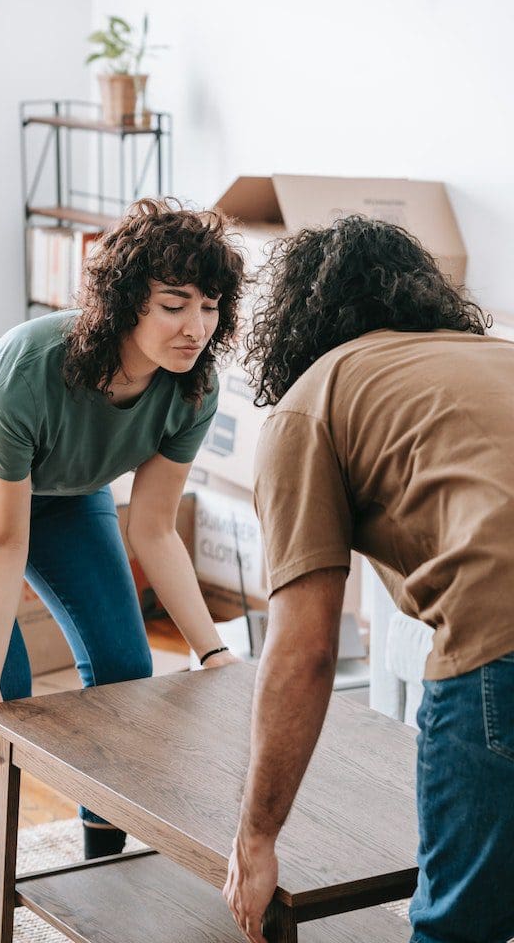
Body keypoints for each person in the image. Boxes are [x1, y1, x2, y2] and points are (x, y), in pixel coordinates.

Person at [0, 198, 244, 943]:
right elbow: (4, 537)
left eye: (209, 307)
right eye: (174, 304)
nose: (195, 327)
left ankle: (100, 866)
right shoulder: (32, 364)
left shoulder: (193, 388)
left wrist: (211, 651)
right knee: (4, 688)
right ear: (124, 303)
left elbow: (152, 527)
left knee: (124, 665)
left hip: (65, 491)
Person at [222, 216, 514, 943]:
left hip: (501, 638)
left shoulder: (311, 401)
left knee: (458, 929)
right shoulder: (496, 357)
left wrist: (256, 835)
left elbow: (305, 649)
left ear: (295, 320)